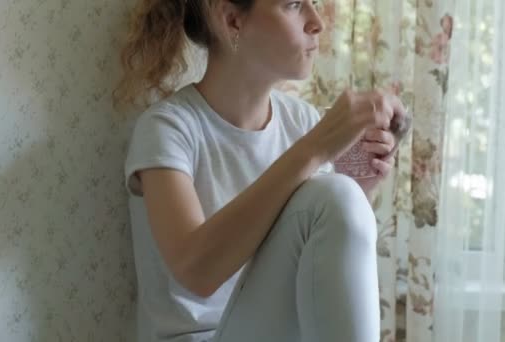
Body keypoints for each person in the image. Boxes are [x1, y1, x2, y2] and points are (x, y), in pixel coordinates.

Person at [113, 1, 406, 341]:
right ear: (233, 20)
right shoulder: (169, 128)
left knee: (341, 194)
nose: (317, 22)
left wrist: (359, 189)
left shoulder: (302, 122)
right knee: (335, 193)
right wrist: (317, 149)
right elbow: (195, 272)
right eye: (294, 4)